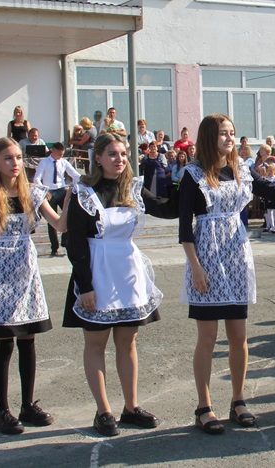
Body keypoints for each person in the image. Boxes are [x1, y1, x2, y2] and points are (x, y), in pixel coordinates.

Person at [179, 114, 275, 434]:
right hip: (206, 258)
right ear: (209, 137)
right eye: (223, 133)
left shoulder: (242, 169)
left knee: (238, 337)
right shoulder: (193, 174)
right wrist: (196, 267)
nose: (230, 138)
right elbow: (185, 228)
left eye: (232, 132)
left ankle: (238, 401)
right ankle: (204, 406)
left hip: (236, 257)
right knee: (207, 338)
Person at [64, 133, 177, 437]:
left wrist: (183, 180)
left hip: (127, 273)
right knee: (96, 343)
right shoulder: (83, 193)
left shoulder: (133, 189)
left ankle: (131, 407)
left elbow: (168, 208)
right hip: (96, 272)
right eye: (113, 154)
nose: (120, 159)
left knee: (128, 342)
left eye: (124, 154)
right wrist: (85, 286)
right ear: (98, 158)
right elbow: (75, 243)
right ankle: (103, 411)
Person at [0, 138, 67, 435]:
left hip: (26, 274)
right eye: (8, 158)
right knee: (4, 342)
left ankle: (27, 405)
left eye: (17, 158)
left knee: (28, 339)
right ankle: (2, 412)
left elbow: (60, 225)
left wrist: (73, 196)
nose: (15, 163)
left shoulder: (33, 192)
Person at [33, 142, 81, 257]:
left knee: (69, 215)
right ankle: (54, 248)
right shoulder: (44, 162)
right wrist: (43, 190)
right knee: (52, 222)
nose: (60, 156)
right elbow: (37, 178)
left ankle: (65, 241)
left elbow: (75, 175)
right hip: (49, 192)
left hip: (62, 190)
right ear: (52, 151)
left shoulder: (63, 162)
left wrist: (77, 185)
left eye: (62, 154)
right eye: (59, 154)